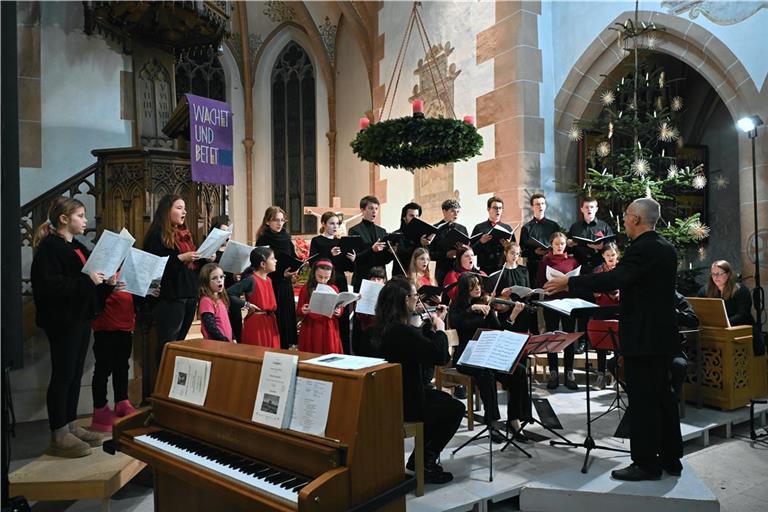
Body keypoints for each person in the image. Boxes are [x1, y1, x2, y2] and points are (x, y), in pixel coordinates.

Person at [545, 197, 683, 481]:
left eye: (627, 215)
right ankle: (671, 458)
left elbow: (613, 279)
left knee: (643, 401)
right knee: (663, 397)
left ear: (636, 219)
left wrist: (569, 282)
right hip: (663, 336)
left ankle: (646, 464)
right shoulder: (666, 248)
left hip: (643, 338)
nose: (624, 220)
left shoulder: (641, 249)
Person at [370, 278, 464, 484]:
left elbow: (417, 348)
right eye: (415, 297)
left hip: (387, 396)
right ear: (406, 300)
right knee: (455, 409)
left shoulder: (381, 327)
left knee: (442, 401)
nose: (417, 301)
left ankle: (418, 460)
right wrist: (440, 328)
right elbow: (439, 357)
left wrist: (428, 329)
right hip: (407, 402)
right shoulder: (401, 332)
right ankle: (425, 462)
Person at [31, 196, 106, 457]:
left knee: (74, 374)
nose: (86, 220)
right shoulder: (50, 248)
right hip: (62, 320)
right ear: (64, 219)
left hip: (80, 317)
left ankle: (72, 424)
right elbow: (50, 287)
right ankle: (59, 432)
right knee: (63, 375)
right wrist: (89, 282)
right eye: (80, 215)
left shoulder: (79, 246)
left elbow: (87, 280)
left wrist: (107, 284)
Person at [449, 273, 528, 442]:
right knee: (487, 374)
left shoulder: (487, 305)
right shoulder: (457, 307)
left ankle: (514, 419)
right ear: (465, 289)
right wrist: (471, 310)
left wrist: (513, 315)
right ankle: (492, 422)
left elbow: (500, 331)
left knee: (519, 371)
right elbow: (456, 323)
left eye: (478, 284)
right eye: (473, 286)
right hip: (467, 357)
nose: (478, 288)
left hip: (488, 354)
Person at [144, 194, 210, 366]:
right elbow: (156, 266)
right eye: (179, 208)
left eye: (184, 208)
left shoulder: (185, 235)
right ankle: (162, 386)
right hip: (170, 297)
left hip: (188, 294)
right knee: (168, 344)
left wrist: (205, 259)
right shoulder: (156, 235)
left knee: (179, 344)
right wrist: (181, 258)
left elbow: (192, 266)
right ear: (167, 211)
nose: (184, 212)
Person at [90, 269, 140, 433]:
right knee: (103, 368)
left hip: (126, 325)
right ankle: (100, 408)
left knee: (122, 366)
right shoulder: (101, 268)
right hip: (106, 326)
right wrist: (110, 285)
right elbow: (96, 294)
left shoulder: (127, 269)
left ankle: (122, 401)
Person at [537, 232, 581, 390]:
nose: (560, 246)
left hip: (569, 304)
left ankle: (569, 372)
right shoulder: (545, 262)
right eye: (556, 243)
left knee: (569, 337)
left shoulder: (573, 261)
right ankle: (553, 372)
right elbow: (540, 283)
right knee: (552, 337)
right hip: (551, 303)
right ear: (551, 244)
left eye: (562, 243)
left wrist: (568, 284)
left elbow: (578, 283)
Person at [309, 212, 356, 353]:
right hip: (324, 282)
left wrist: (353, 260)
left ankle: (343, 351)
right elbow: (313, 263)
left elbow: (348, 268)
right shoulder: (317, 241)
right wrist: (330, 255)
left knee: (341, 317)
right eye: (332, 223)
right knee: (325, 316)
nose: (335, 226)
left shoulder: (340, 242)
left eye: (337, 223)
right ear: (323, 224)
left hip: (340, 281)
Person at [255, 207, 300, 349]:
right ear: (268, 222)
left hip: (286, 285)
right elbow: (259, 266)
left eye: (282, 220)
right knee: (277, 318)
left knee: (287, 317)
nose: (280, 223)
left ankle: (287, 346)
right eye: (276, 220)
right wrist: (281, 274)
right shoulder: (263, 239)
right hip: (271, 284)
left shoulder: (286, 237)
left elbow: (293, 257)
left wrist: (296, 268)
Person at [227, 247, 281, 348]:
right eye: (273, 258)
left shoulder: (269, 280)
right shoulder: (251, 280)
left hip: (270, 322)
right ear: (263, 264)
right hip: (257, 324)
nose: (276, 261)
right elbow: (229, 293)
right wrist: (246, 304)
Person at [296, 260, 344, 354]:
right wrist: (303, 310)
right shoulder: (305, 289)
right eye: (320, 277)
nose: (323, 280)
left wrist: (339, 311)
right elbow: (299, 310)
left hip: (328, 326)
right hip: (311, 326)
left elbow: (339, 307)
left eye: (326, 277)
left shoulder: (334, 288)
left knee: (329, 353)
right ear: (314, 274)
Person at [486, 242, 536, 333]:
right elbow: (494, 294)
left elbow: (528, 288)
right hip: (506, 310)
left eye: (517, 253)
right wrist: (501, 294)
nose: (515, 256)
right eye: (512, 253)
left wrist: (529, 293)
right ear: (506, 253)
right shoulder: (499, 272)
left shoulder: (523, 270)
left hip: (522, 309)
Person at [349, 196, 394, 291]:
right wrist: (372, 250)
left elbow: (384, 260)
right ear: (362, 210)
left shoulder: (382, 231)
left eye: (376, 209)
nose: (374, 211)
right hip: (363, 277)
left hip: (380, 278)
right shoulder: (354, 231)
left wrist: (390, 252)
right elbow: (356, 259)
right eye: (370, 208)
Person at [591, 242, 621, 389]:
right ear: (603, 255)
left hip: (618, 309)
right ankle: (601, 376)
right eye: (608, 255)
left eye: (613, 255)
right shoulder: (597, 271)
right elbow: (593, 290)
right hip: (601, 309)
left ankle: (618, 376)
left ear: (618, 255)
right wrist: (595, 292)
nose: (610, 258)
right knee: (601, 344)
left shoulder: (623, 270)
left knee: (618, 343)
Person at [210, 215, 242, 342]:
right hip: (217, 294)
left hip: (232, 292)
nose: (227, 235)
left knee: (236, 324)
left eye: (228, 232)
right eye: (223, 232)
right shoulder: (211, 252)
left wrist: (238, 275)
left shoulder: (232, 250)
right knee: (222, 325)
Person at [519, 194, 563, 282]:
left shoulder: (554, 226)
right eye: (537, 204)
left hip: (552, 264)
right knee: (535, 292)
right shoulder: (526, 228)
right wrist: (534, 252)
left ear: (545, 206)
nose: (540, 206)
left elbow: (561, 244)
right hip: (534, 266)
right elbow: (522, 251)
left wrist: (549, 250)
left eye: (543, 203)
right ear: (532, 207)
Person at [567, 196, 614, 274]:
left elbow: (612, 246)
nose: (589, 209)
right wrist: (569, 244)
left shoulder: (604, 226)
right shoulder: (575, 227)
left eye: (592, 207)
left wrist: (603, 247)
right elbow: (568, 250)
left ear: (596, 209)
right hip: (579, 266)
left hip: (599, 267)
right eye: (586, 207)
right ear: (582, 209)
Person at [700, 260, 755, 326]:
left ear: (728, 274)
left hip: (741, 328)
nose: (715, 277)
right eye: (713, 274)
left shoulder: (741, 290)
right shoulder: (705, 290)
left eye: (718, 274)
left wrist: (723, 324)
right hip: (717, 329)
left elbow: (743, 315)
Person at [471, 196, 515, 274]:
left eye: (500, 208)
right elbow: (471, 251)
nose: (498, 210)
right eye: (495, 208)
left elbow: (515, 250)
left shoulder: (507, 228)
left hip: (504, 267)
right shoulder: (479, 228)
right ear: (488, 209)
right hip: (485, 268)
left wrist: (508, 246)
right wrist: (481, 242)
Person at [430, 199, 468, 287]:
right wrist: (445, 254)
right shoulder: (435, 229)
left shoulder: (463, 229)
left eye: (458, 211)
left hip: (459, 269)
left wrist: (461, 250)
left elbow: (468, 249)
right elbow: (429, 253)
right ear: (444, 211)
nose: (456, 214)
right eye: (452, 211)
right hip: (442, 270)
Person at [351, 266, 387, 356]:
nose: (376, 281)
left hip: (382, 331)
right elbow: (359, 315)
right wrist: (359, 301)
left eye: (379, 279)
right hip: (367, 330)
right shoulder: (363, 293)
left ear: (384, 281)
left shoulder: (387, 294)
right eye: (373, 279)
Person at [392, 202, 433, 277]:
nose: (415, 219)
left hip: (420, 277)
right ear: (404, 218)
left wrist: (426, 244)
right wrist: (420, 244)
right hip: (402, 277)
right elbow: (403, 254)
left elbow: (428, 257)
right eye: (411, 216)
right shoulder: (397, 235)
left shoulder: (422, 235)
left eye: (417, 216)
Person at [198, 263, 233, 342]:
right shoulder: (206, 300)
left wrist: (233, 338)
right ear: (206, 282)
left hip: (225, 343)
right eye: (214, 278)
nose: (219, 280)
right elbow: (210, 326)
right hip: (216, 344)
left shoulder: (220, 299)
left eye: (221, 277)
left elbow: (226, 323)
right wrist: (223, 340)